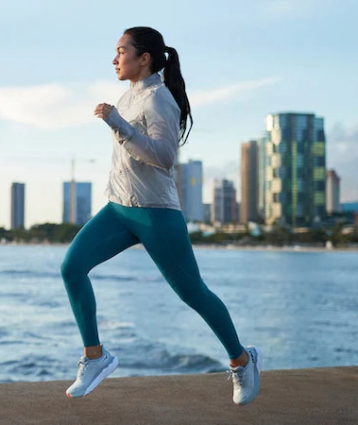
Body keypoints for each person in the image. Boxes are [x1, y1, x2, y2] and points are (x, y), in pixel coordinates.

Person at [61, 26, 261, 405]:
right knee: (71, 268)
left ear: (144, 58)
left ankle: (242, 359)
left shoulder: (159, 101)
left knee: (192, 292)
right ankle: (95, 357)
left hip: (156, 213)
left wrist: (117, 123)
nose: (115, 59)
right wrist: (118, 120)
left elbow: (164, 158)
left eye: (121, 51)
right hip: (119, 207)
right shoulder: (127, 96)